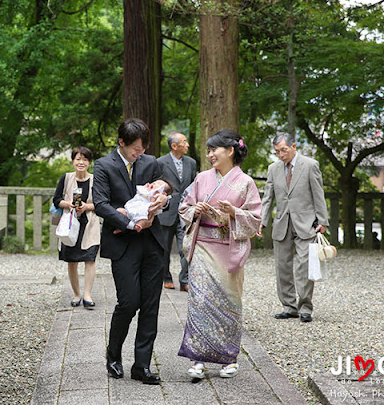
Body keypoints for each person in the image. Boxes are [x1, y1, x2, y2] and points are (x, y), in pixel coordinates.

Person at [178, 129, 262, 380]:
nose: (210, 154)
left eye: (214, 149)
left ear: (230, 151)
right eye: (209, 150)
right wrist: (195, 209)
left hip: (229, 249)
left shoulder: (245, 182)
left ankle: (228, 357)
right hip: (203, 246)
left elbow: (256, 220)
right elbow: (183, 207)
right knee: (199, 303)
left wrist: (235, 212)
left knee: (228, 304)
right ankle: (197, 358)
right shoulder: (202, 178)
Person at [93, 118, 168, 385]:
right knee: (129, 302)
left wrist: (163, 198)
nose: (140, 153)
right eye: (135, 148)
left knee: (150, 305)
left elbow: (165, 189)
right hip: (123, 242)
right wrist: (129, 222)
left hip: (152, 243)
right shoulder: (103, 166)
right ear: (121, 142)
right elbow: (101, 204)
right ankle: (113, 355)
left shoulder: (150, 163)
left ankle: (142, 365)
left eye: (143, 148)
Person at [260, 132, 329, 323]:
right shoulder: (273, 168)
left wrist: (322, 220)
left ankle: (305, 307)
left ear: (294, 146)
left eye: (284, 150)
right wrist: (262, 221)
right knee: (282, 266)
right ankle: (288, 306)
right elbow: (268, 198)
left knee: (304, 266)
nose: (281, 155)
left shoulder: (310, 165)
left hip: (306, 223)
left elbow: (318, 194)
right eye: (277, 151)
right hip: (282, 223)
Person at [52, 146, 100, 308]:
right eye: (78, 159)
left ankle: (87, 294)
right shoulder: (65, 178)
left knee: (90, 259)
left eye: (85, 159)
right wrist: (69, 204)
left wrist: (87, 206)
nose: (81, 162)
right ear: (73, 161)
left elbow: (101, 203)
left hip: (89, 224)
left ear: (89, 162)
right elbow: (56, 199)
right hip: (69, 224)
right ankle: (77, 294)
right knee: (72, 261)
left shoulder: (96, 180)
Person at [158, 133, 197, 291]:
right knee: (164, 248)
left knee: (186, 247)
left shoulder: (191, 163)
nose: (187, 145)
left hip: (185, 212)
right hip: (166, 211)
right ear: (174, 146)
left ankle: (185, 279)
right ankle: (166, 276)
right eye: (184, 142)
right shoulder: (160, 162)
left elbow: (193, 185)